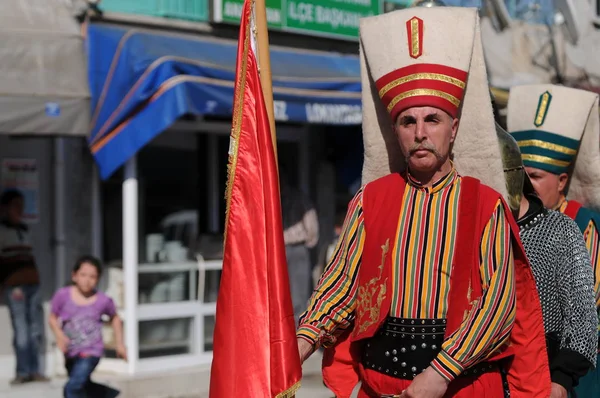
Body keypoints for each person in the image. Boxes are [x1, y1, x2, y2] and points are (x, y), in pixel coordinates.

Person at [298, 7, 550, 398]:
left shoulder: (486, 205)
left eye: (432, 119)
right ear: (396, 131)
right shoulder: (371, 200)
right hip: (378, 388)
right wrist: (300, 343)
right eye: (407, 121)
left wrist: (439, 373)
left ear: (453, 130)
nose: (420, 133)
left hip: (459, 386)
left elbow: (499, 306)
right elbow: (341, 285)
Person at [508, 84, 600, 397]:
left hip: (577, 376)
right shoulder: (508, 221)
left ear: (562, 181)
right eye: (521, 175)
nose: (525, 185)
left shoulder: (584, 226)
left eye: (534, 176)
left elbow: (587, 312)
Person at [49, 255, 127, 398]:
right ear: (74, 276)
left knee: (72, 388)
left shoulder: (103, 300)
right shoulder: (63, 295)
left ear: (98, 279)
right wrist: (59, 335)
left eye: (93, 276)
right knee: (82, 385)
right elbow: (52, 317)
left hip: (91, 351)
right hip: (70, 352)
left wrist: (120, 344)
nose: (87, 280)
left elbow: (115, 318)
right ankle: (109, 394)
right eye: (83, 275)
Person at [0, 189, 48, 385]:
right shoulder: (2, 231)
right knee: (21, 329)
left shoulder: (25, 229)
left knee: (35, 328)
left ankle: (35, 370)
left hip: (33, 284)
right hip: (15, 286)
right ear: (5, 208)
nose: (19, 210)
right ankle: (22, 371)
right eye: (15, 205)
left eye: (22, 205)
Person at [280, 175, 319, 323]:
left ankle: (299, 338)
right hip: (277, 251)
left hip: (296, 249)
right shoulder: (269, 198)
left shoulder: (297, 197)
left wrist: (306, 242)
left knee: (299, 297)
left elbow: (311, 224)